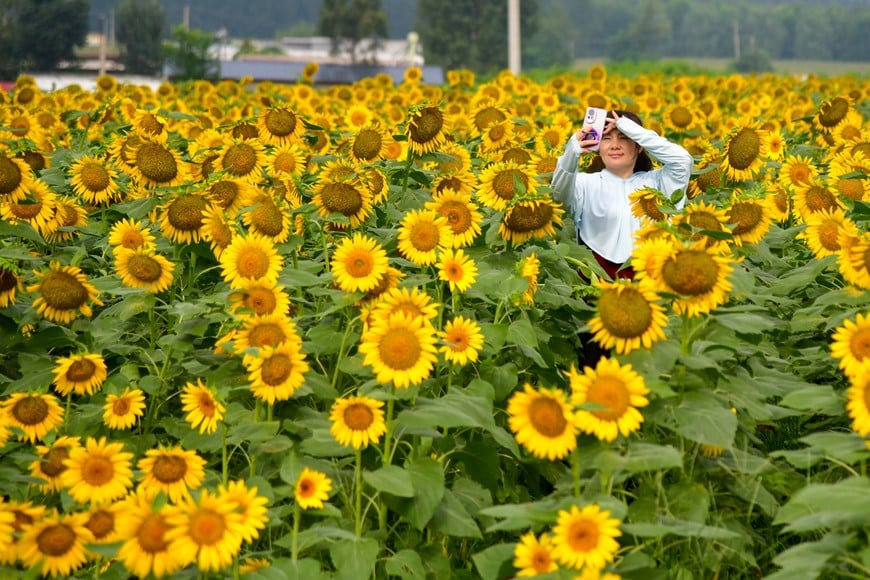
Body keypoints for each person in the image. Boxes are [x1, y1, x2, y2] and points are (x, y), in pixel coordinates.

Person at [550, 109, 693, 279]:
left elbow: (682, 161)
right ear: (598, 147)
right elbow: (558, 197)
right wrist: (570, 153)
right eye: (606, 138)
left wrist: (629, 127)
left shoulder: (659, 182)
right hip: (595, 281)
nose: (614, 145)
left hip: (652, 279)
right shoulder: (585, 183)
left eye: (623, 137)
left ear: (639, 146)